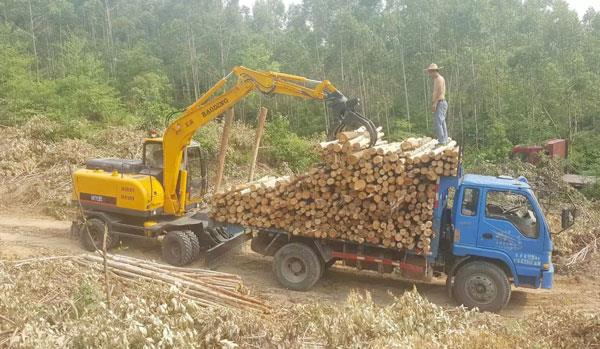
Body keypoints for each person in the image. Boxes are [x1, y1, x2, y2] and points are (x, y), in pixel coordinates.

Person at [425, 63, 448, 145]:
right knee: (442, 121)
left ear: (434, 71)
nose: (430, 74)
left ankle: (442, 141)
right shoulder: (436, 79)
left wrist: (435, 103)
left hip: (440, 102)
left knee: (438, 122)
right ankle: (445, 139)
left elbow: (440, 92)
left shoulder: (439, 79)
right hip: (440, 102)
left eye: (430, 72)